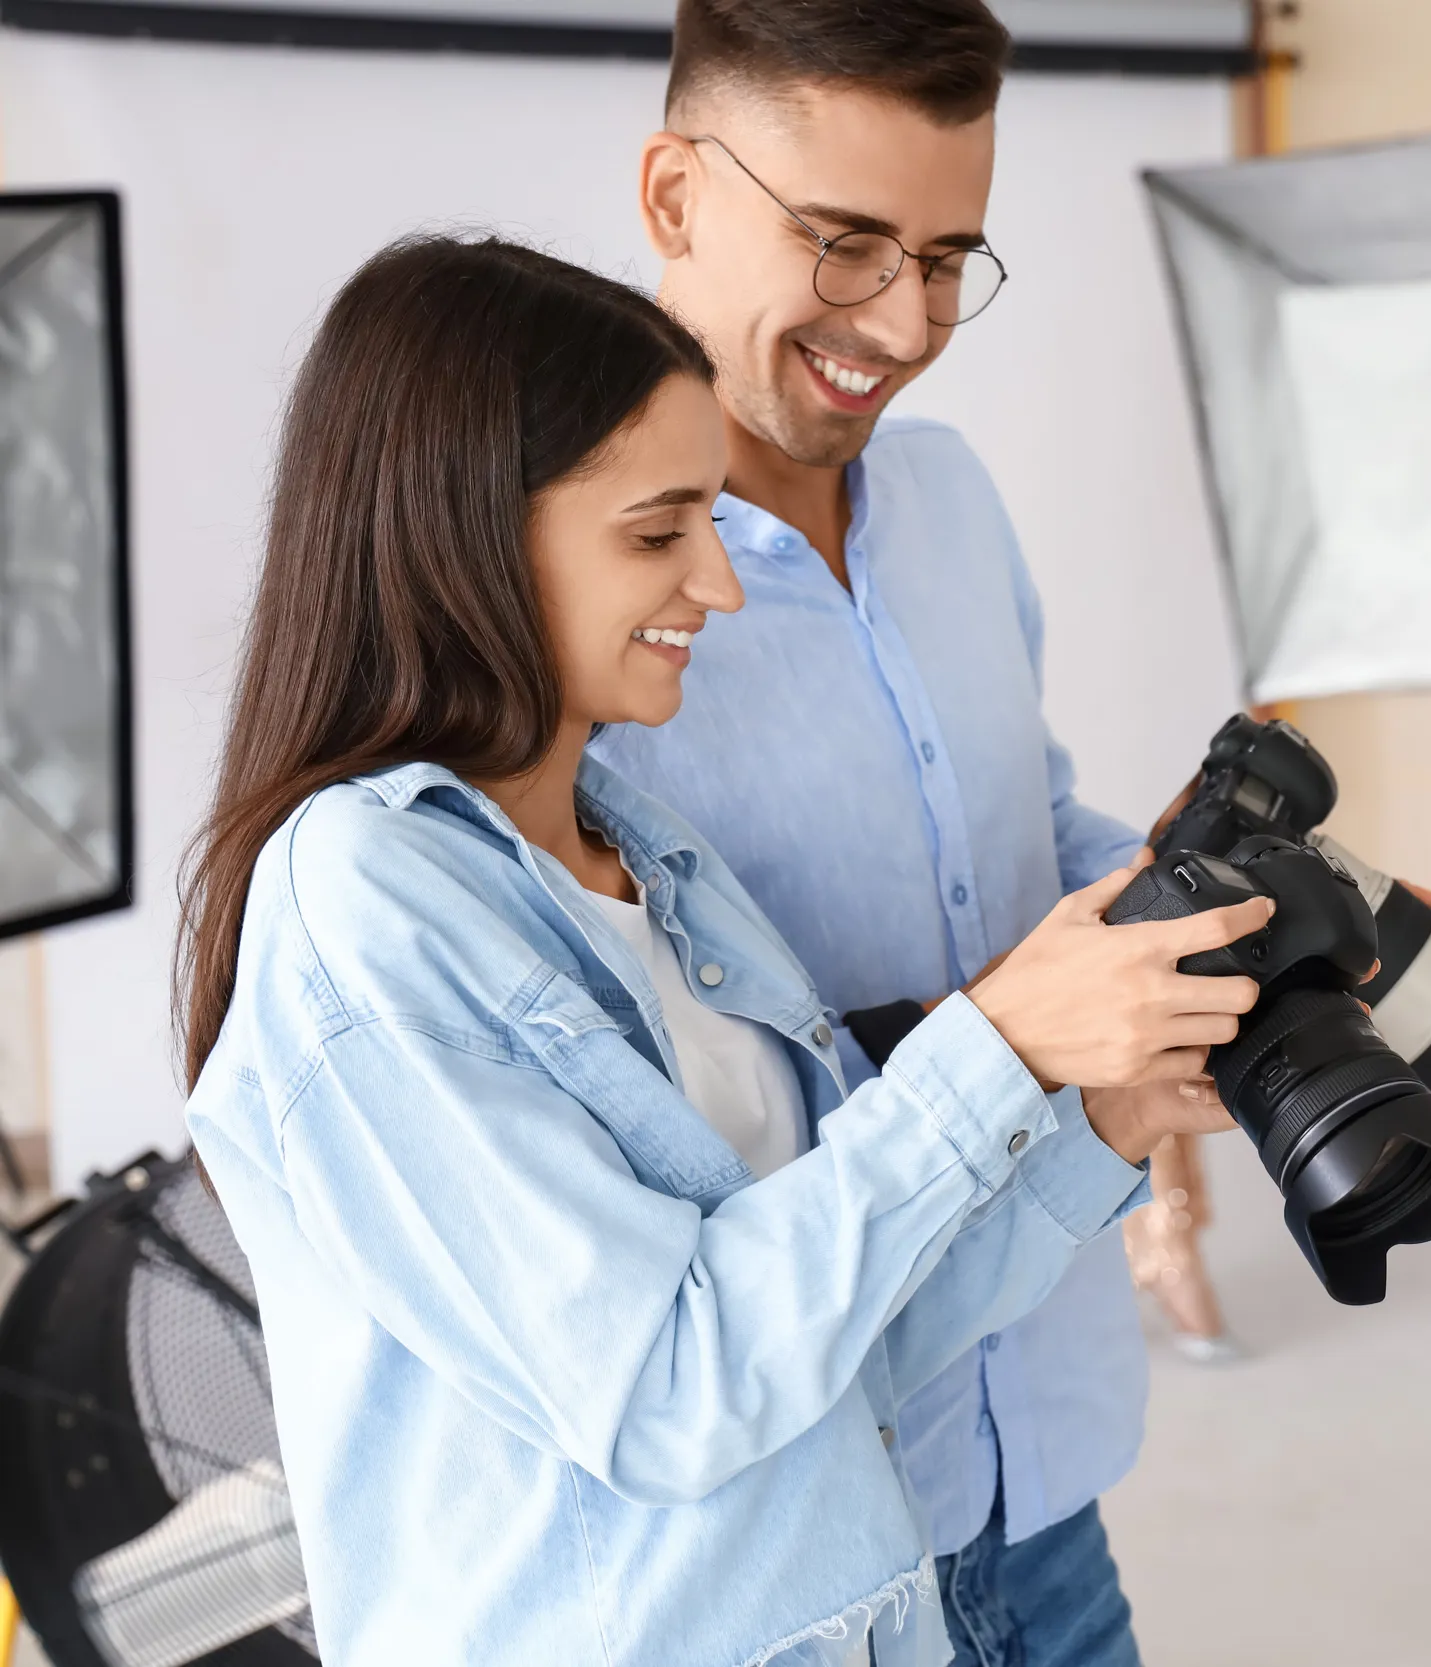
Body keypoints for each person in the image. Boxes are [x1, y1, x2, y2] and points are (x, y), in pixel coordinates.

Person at [177, 236, 1263, 1667]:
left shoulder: (649, 850)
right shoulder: (365, 900)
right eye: (657, 530)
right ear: (466, 532)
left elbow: (830, 1329)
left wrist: (1101, 1120)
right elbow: (670, 1387)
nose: (721, 584)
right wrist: (996, 1046)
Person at [589, 6, 1222, 1658]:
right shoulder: (572, 602)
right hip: (806, 1547)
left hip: (1050, 1469)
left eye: (947, 259)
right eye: (846, 245)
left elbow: (1032, 831)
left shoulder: (950, 501)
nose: (906, 320)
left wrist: (1205, 910)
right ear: (673, 196)